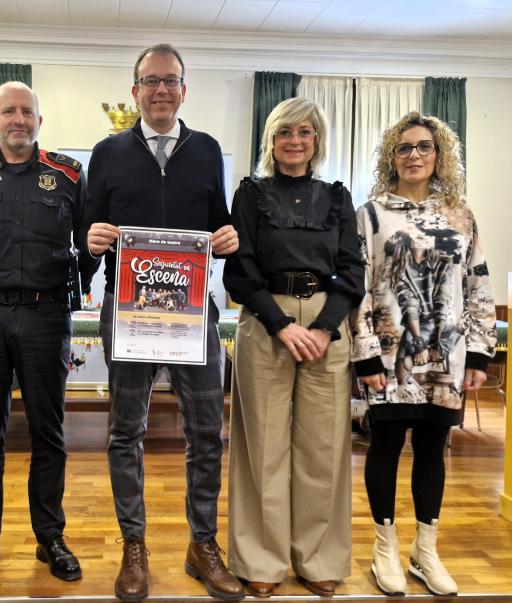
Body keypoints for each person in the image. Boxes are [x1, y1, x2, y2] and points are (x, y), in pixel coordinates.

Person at [84, 43, 243, 602]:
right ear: (135, 91)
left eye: (170, 80)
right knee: (125, 432)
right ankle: (134, 546)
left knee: (207, 431)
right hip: (128, 308)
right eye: (150, 81)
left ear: (183, 90)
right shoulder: (106, 153)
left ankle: (203, 544)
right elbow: (87, 229)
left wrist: (229, 236)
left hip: (193, 310)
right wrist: (90, 239)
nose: (160, 90)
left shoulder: (207, 150)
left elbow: (219, 224)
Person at [0, 81, 92, 585]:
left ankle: (50, 535)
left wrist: (69, 286)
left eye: (27, 111)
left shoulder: (68, 175)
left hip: (46, 317)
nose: (18, 120)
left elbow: (88, 244)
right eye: (8, 111)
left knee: (48, 431)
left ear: (39, 120)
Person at [222, 97, 364, 598]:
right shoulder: (251, 194)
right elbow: (240, 269)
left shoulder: (337, 197)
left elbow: (352, 270)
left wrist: (324, 328)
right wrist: (282, 325)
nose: (295, 141)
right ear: (272, 140)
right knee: (262, 447)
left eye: (304, 132)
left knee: (324, 447)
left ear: (316, 140)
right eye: (285, 132)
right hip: (266, 322)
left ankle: (319, 557)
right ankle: (261, 558)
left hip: (327, 326)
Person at [350, 111, 496, 597]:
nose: (414, 155)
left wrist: (479, 354)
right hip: (389, 357)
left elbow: (477, 284)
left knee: (433, 449)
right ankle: (385, 548)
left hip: (446, 358)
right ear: (391, 157)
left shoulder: (460, 213)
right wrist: (365, 355)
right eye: (404, 147)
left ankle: (425, 550)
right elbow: (357, 288)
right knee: (387, 445)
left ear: (439, 155)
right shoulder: (371, 214)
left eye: (424, 147)